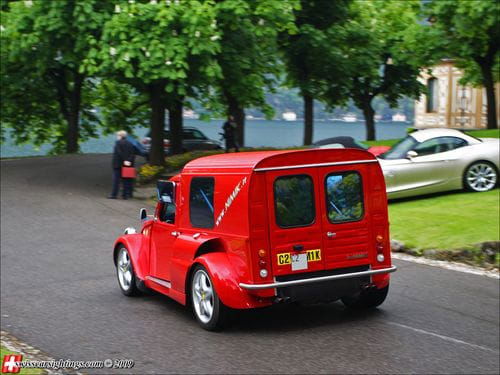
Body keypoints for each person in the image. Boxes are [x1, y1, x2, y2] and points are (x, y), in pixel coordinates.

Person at [109, 130, 135, 200]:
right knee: (126, 180)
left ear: (120, 136)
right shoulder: (130, 143)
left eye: (117, 135)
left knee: (116, 180)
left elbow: (119, 153)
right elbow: (132, 154)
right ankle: (125, 195)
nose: (117, 137)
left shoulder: (117, 143)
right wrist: (128, 160)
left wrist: (124, 160)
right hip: (128, 165)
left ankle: (114, 195)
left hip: (118, 164)